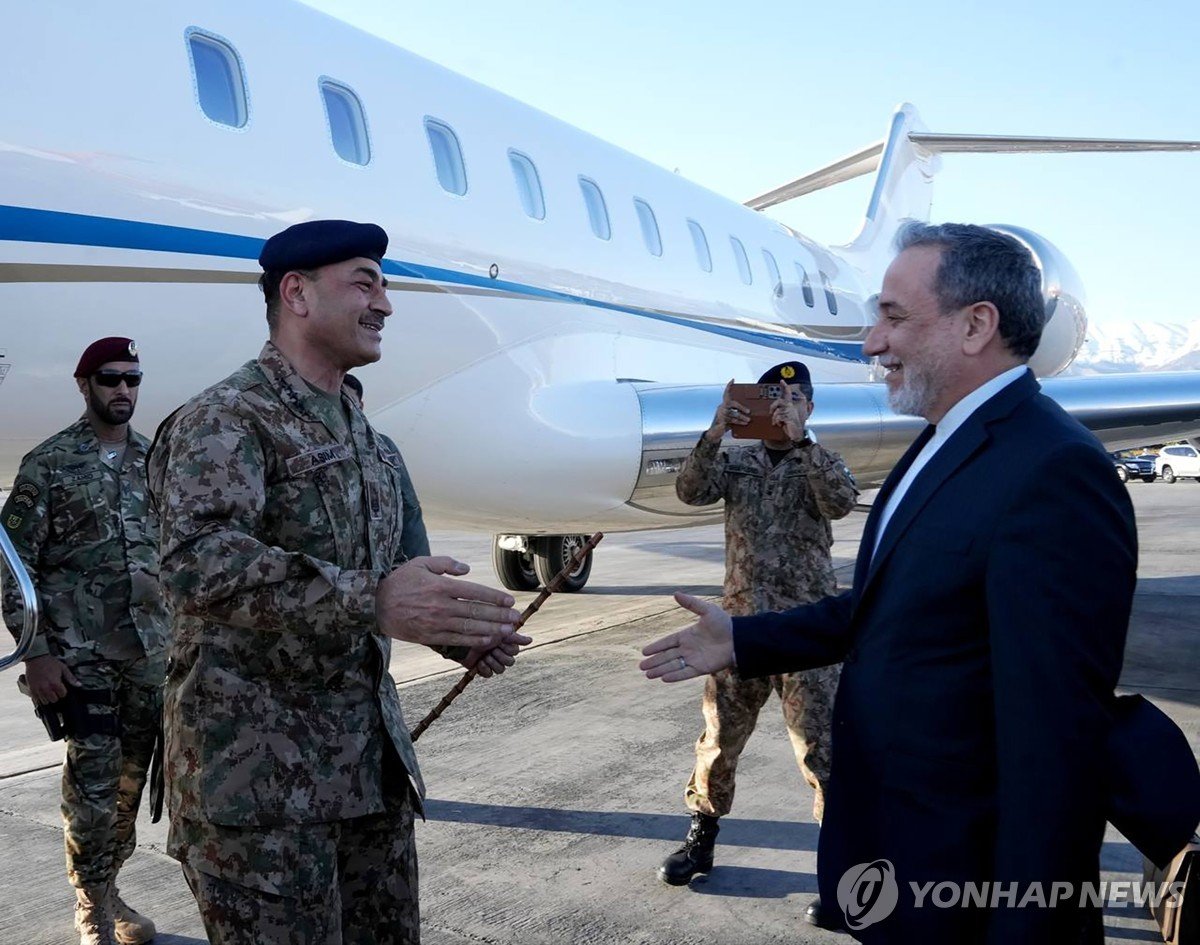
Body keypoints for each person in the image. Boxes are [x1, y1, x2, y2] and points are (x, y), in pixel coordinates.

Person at [642, 223, 1139, 943]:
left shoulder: (1055, 470)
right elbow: (888, 607)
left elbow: (1055, 745)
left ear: (976, 326)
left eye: (894, 317)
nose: (871, 343)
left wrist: (1031, 924)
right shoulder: (941, 442)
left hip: (961, 884)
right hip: (905, 871)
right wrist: (743, 638)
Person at [148, 220, 530, 944]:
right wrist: (372, 600)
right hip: (258, 793)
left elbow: (406, 578)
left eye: (383, 285)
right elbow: (196, 561)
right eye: (364, 283)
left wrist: (461, 633)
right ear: (296, 294)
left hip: (369, 777)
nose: (384, 303)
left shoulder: (373, 444)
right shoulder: (225, 419)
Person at [658, 361, 858, 930]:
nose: (780, 406)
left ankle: (840, 871)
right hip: (738, 632)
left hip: (805, 633)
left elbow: (840, 502)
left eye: (792, 398)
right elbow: (689, 490)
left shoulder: (821, 459)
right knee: (719, 741)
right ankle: (701, 840)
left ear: (809, 407)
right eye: (771, 397)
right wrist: (716, 429)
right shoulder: (737, 461)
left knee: (822, 751)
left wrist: (805, 442)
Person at [1, 337, 168, 945]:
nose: (122, 389)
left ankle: (109, 887)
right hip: (79, 659)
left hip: (149, 656)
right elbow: (12, 562)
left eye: (132, 379)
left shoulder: (156, 460)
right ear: (84, 385)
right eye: (109, 378)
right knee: (92, 788)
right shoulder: (49, 463)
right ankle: (91, 910)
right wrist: (36, 651)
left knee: (129, 789)